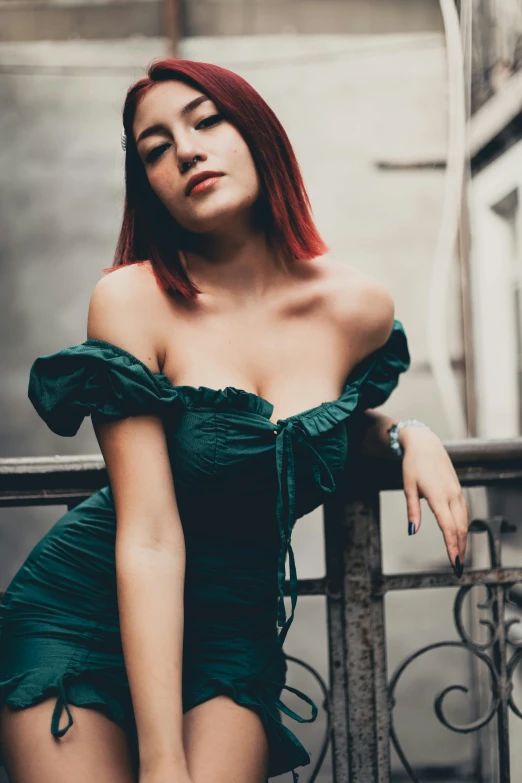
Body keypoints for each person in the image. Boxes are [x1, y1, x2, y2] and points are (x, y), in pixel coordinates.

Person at [0, 57, 468, 783]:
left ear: (257, 133)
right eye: (154, 149)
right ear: (148, 185)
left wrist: (411, 435)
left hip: (230, 631)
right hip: (83, 614)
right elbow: (150, 534)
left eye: (205, 120)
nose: (184, 150)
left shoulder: (358, 309)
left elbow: (321, 432)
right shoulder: (132, 301)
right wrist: (163, 761)